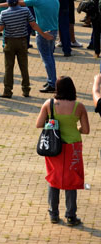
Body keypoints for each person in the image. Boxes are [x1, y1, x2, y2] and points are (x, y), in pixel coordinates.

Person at [35, 77, 90, 226]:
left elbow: (39, 124)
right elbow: (86, 130)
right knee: (72, 180)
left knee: (53, 178)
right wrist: (75, 128)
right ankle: (71, 216)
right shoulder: (79, 106)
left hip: (54, 147)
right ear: (72, 88)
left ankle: (53, 214)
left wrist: (52, 121)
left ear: (57, 89)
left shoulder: (49, 104)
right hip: (73, 147)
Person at [0, 0, 51, 98]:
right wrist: (43, 34)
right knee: (24, 67)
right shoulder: (25, 11)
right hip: (23, 42)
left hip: (9, 42)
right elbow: (33, 24)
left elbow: (0, 28)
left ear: (8, 4)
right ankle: (26, 90)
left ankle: (7, 91)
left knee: (8, 67)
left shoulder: (4, 13)